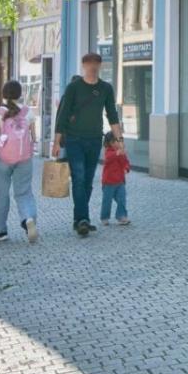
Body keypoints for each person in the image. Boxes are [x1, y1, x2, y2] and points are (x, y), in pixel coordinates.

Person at [53, 53, 121, 238]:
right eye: (89, 63)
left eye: (96, 63)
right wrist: (57, 141)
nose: (92, 67)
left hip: (94, 139)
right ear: (83, 65)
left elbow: (112, 115)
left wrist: (119, 140)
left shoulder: (106, 88)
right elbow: (63, 115)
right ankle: (83, 219)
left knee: (88, 182)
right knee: (79, 178)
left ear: (100, 66)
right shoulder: (74, 87)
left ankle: (79, 219)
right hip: (74, 139)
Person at [0, 81, 40, 244]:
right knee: (24, 192)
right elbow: (34, 137)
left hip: (3, 158)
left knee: (0, 193)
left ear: (3, 94)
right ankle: (28, 218)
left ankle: (0, 231)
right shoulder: (28, 112)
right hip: (24, 158)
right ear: (20, 94)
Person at [99, 130, 131, 227]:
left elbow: (126, 162)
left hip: (120, 181)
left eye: (119, 141)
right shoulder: (109, 151)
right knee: (107, 201)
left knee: (122, 199)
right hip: (108, 182)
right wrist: (117, 153)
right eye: (117, 141)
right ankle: (104, 217)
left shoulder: (121, 152)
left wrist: (126, 168)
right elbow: (108, 158)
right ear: (111, 143)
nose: (118, 143)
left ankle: (121, 216)